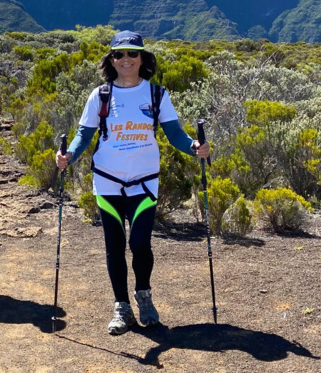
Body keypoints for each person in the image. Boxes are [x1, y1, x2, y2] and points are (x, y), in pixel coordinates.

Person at [55, 31, 210, 335]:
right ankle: (121, 307)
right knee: (114, 246)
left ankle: (144, 296)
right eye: (118, 54)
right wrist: (68, 156)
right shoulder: (100, 95)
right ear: (110, 60)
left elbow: (175, 134)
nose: (125, 60)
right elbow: (84, 135)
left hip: (144, 180)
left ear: (142, 58)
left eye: (132, 54)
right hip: (108, 180)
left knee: (140, 243)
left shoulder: (157, 94)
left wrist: (194, 146)